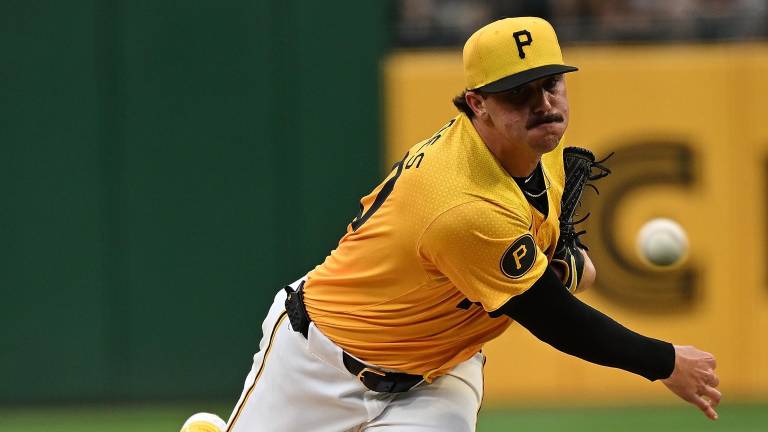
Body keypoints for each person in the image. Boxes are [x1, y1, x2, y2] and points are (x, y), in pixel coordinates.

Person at [181, 17, 721, 432]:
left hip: (437, 375)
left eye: (551, 84)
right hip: (320, 364)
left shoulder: (543, 153)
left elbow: (539, 272)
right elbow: (554, 318)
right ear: (476, 103)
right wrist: (664, 361)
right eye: (518, 92)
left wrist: (562, 266)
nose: (543, 104)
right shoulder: (460, 203)